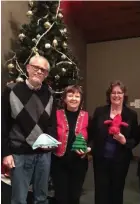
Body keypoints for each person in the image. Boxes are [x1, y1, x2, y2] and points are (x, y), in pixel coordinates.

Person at [2, 55, 57, 204]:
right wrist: (5, 153)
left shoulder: (49, 94)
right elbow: (3, 123)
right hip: (20, 154)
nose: (39, 72)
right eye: (36, 68)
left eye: (43, 70)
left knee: (41, 198)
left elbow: (52, 124)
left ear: (46, 75)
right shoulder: (11, 91)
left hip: (43, 155)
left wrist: (50, 145)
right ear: (28, 68)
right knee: (19, 199)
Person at [89, 80, 140, 204]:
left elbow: (136, 138)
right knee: (101, 191)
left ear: (124, 95)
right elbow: (92, 132)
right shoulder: (100, 111)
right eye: (113, 93)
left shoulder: (131, 115)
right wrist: (90, 148)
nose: (116, 95)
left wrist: (125, 141)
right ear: (109, 95)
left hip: (121, 160)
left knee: (117, 190)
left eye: (119, 93)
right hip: (101, 159)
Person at [51, 85, 91, 204]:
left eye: (77, 96)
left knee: (75, 196)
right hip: (59, 162)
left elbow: (94, 137)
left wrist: (88, 148)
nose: (74, 98)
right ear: (64, 99)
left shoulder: (87, 116)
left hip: (79, 163)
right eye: (70, 95)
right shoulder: (55, 115)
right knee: (61, 197)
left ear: (81, 100)